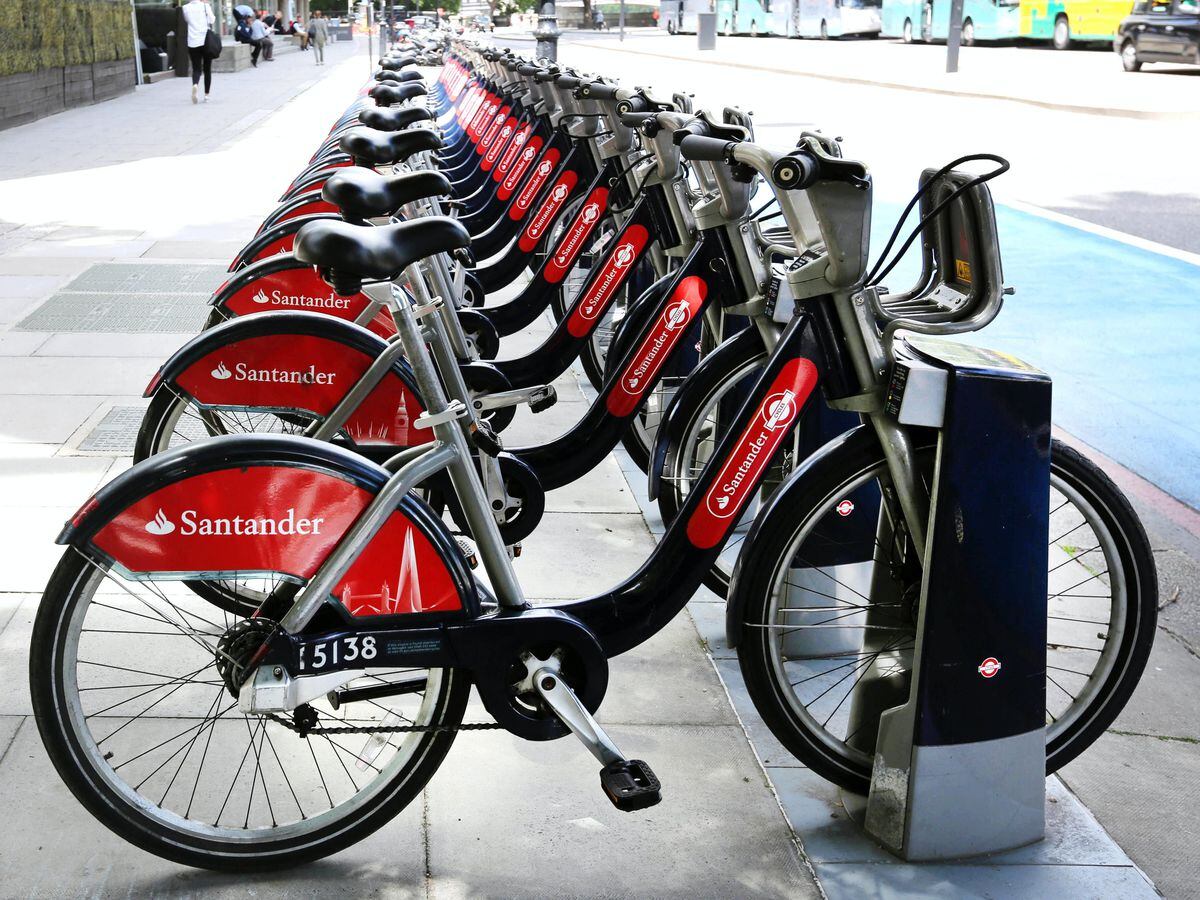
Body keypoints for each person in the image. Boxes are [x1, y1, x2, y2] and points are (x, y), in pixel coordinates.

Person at [182, 0, 215, 104]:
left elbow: (187, 20)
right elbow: (212, 20)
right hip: (205, 40)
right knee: (207, 68)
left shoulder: (185, 8)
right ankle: (206, 95)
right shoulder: (205, 6)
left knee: (196, 68)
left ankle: (195, 84)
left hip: (192, 41)